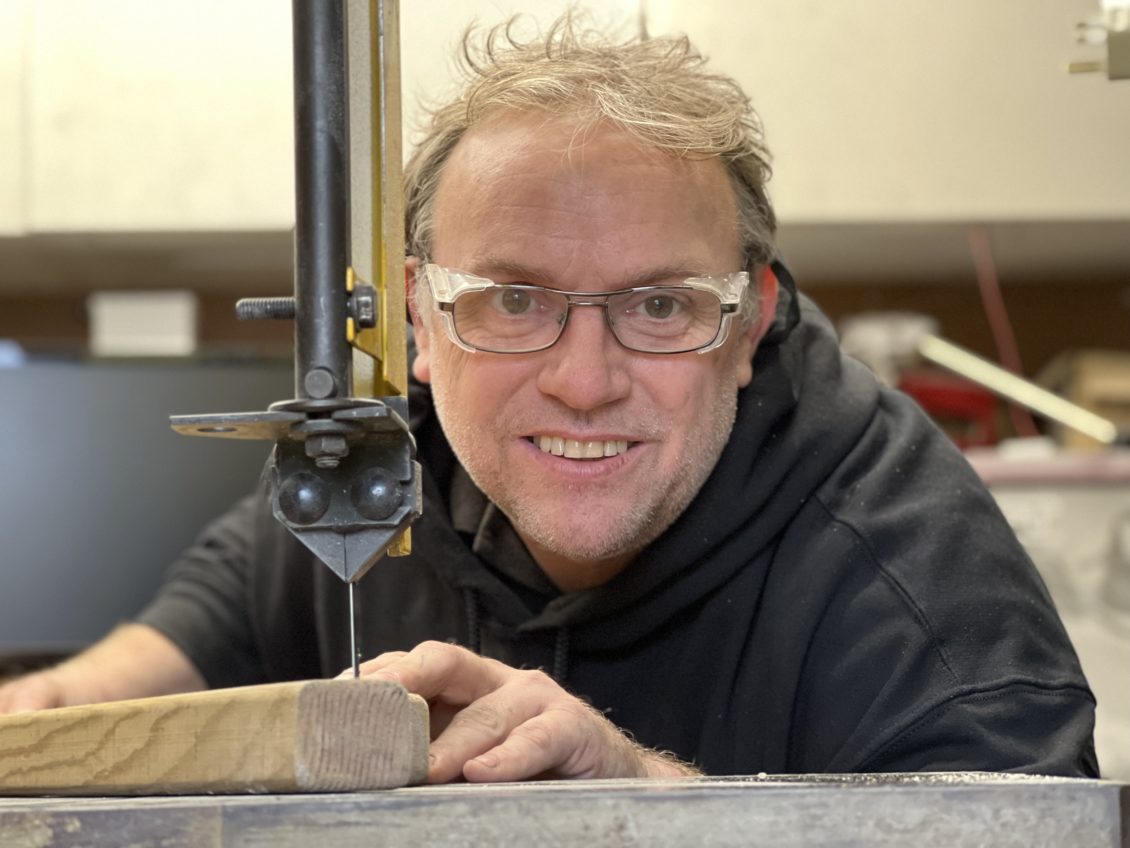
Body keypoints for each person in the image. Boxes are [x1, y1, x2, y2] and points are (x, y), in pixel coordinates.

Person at [0, 15, 1099, 782]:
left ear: (748, 323)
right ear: (420, 319)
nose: (582, 381)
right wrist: (47, 711)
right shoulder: (381, 474)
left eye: (660, 306)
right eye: (514, 300)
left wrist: (643, 797)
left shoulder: (911, 574)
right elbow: (194, 633)